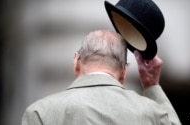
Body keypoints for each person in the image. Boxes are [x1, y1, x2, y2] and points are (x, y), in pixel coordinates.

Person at [22, 29, 181, 125]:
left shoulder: (39, 112)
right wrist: (152, 85)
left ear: (77, 61)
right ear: (124, 72)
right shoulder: (150, 112)